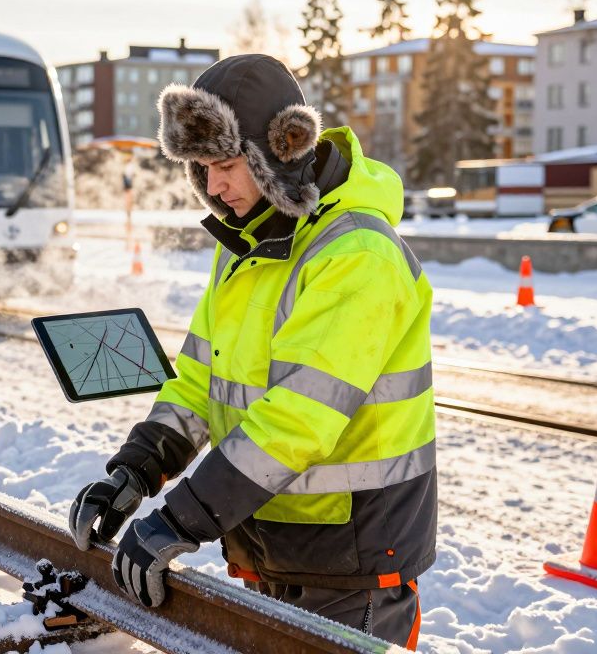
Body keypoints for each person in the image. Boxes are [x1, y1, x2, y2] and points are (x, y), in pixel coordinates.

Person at [68, 55, 435, 649]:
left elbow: (296, 418)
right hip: (272, 548)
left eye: (226, 165)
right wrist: (135, 471)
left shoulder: (355, 253)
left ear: (282, 150)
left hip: (353, 560)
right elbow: (198, 383)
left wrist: (182, 517)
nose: (213, 187)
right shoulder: (247, 243)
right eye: (201, 168)